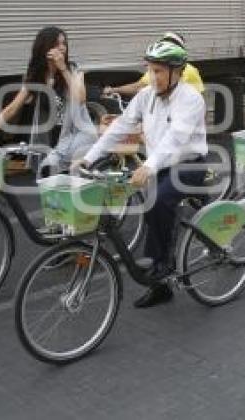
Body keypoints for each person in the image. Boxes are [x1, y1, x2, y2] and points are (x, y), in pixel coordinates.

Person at [78, 36, 208, 308]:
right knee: (150, 209)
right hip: (159, 165)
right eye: (150, 69)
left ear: (177, 72)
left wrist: (148, 166)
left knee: (159, 201)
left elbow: (175, 140)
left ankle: (163, 265)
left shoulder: (191, 99)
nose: (152, 76)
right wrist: (89, 159)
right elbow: (120, 127)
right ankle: (159, 281)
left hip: (189, 165)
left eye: (158, 71)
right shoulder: (146, 95)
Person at [0, 26, 96, 175]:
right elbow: (12, 108)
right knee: (50, 184)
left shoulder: (73, 69)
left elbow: (80, 99)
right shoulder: (37, 76)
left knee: (59, 175)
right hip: (52, 137)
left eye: (64, 43)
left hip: (77, 135)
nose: (62, 48)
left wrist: (63, 69)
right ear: (45, 48)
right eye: (56, 44)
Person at [103, 32, 205, 96]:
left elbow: (199, 99)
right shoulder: (155, 68)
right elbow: (139, 86)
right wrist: (114, 90)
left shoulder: (190, 71)